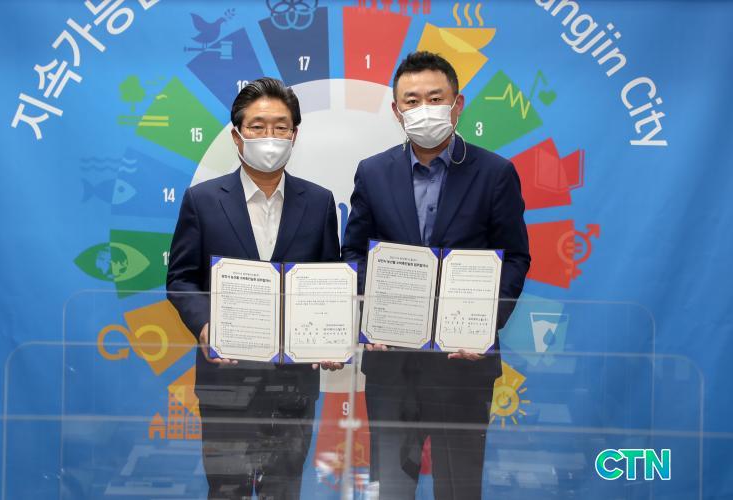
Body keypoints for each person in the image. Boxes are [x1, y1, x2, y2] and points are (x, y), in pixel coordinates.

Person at [341, 52, 531, 499]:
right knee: (392, 488)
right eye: (412, 100)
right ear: (396, 110)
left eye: (434, 98)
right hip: (391, 363)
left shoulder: (495, 173)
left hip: (463, 364)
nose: (423, 109)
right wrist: (372, 316)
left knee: (459, 488)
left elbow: (515, 258)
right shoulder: (373, 172)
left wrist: (484, 326)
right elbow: (354, 252)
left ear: (457, 104)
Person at [167, 77, 341, 500]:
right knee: (226, 489)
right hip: (226, 378)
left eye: (281, 127)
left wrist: (331, 336)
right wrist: (205, 326)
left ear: (294, 135)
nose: (270, 137)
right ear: (237, 135)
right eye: (258, 126)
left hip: (293, 382)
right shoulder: (202, 200)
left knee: (285, 489)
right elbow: (181, 279)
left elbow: (330, 280)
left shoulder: (319, 202)